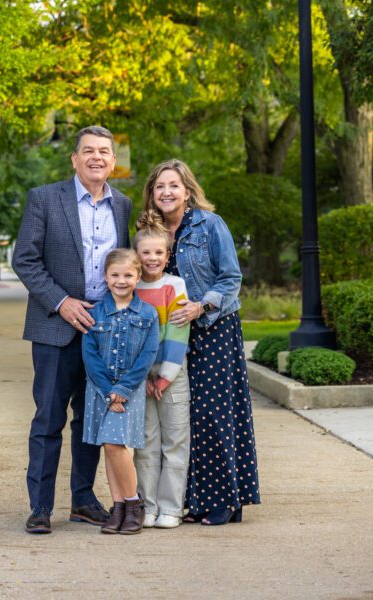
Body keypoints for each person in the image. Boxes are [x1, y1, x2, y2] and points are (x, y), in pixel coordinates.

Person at [12, 125, 132, 534]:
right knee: (48, 419)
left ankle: (83, 500)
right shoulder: (44, 199)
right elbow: (25, 260)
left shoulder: (124, 207)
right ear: (75, 159)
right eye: (88, 151)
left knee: (90, 420)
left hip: (103, 334)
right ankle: (40, 507)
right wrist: (62, 303)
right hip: (54, 328)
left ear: (113, 162)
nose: (96, 157)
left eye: (104, 151)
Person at [141, 158, 260, 526]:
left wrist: (200, 306)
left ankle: (225, 501)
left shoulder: (210, 225)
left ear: (188, 191)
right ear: (152, 193)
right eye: (160, 186)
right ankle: (191, 499)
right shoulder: (152, 231)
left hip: (213, 329)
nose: (166, 192)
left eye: (174, 185)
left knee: (212, 413)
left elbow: (230, 278)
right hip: (171, 337)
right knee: (183, 418)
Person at [81, 248, 159, 534]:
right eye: (115, 275)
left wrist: (123, 390)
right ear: (105, 277)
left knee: (116, 445)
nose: (121, 280)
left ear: (138, 277)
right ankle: (118, 509)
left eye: (128, 275)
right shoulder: (95, 313)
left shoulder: (147, 314)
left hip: (131, 389)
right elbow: (90, 356)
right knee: (109, 448)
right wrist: (107, 391)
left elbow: (148, 355)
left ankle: (133, 503)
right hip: (100, 390)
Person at [132, 224, 191, 529]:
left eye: (159, 252)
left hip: (171, 375)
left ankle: (171, 507)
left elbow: (178, 332)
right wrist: (139, 377)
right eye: (146, 252)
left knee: (175, 442)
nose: (152, 258)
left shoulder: (175, 286)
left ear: (168, 255)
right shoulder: (131, 287)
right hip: (140, 380)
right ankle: (148, 505)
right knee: (145, 443)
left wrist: (165, 376)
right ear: (136, 255)